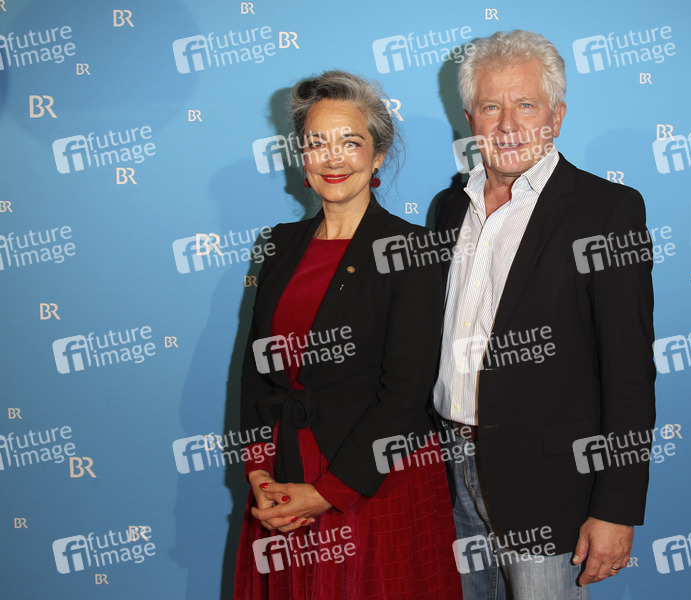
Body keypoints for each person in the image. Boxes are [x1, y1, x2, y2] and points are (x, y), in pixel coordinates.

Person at [432, 31, 656, 599]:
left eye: (526, 105)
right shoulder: (448, 208)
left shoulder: (607, 211)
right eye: (491, 107)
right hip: (446, 476)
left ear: (556, 116)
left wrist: (616, 508)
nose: (508, 124)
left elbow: (629, 375)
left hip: (548, 487)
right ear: (470, 118)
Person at [234, 70, 462, 600]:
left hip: (370, 485)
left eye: (351, 142)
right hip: (283, 480)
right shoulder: (278, 244)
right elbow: (255, 371)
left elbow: (406, 397)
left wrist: (326, 494)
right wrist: (259, 473)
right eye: (317, 143)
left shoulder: (411, 250)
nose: (333, 158)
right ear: (302, 156)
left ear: (378, 155)